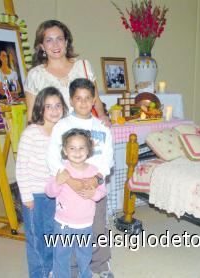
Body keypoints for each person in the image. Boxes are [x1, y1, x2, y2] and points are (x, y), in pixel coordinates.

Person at [47, 78, 114, 278]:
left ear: (94, 99)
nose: (84, 103)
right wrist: (70, 180)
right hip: (69, 189)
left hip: (94, 186)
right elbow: (53, 155)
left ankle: (101, 267)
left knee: (98, 228)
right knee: (71, 233)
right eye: (78, 98)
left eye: (88, 98)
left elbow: (107, 159)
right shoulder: (63, 125)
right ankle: (72, 271)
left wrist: (97, 180)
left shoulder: (102, 127)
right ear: (71, 100)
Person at [16, 87, 68, 278]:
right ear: (40, 109)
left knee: (52, 234)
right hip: (35, 196)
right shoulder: (31, 133)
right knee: (36, 238)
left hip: (55, 194)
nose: (54, 110)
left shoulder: (63, 133)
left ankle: (52, 270)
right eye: (49, 106)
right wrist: (27, 196)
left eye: (58, 105)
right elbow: (21, 167)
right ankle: (39, 273)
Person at [46, 128, 107, 278]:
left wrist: (94, 194)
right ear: (65, 151)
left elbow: (102, 192)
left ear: (89, 150)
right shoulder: (61, 170)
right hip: (63, 223)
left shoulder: (94, 171)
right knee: (61, 253)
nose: (77, 152)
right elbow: (50, 192)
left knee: (84, 254)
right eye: (72, 148)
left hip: (85, 224)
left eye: (82, 147)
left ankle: (85, 275)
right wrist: (58, 182)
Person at [24, 20, 109, 125]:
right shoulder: (35, 75)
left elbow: (96, 101)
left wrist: (102, 116)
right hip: (51, 136)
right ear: (42, 46)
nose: (55, 45)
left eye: (59, 39)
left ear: (66, 42)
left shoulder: (83, 66)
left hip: (85, 132)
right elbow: (31, 116)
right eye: (49, 40)